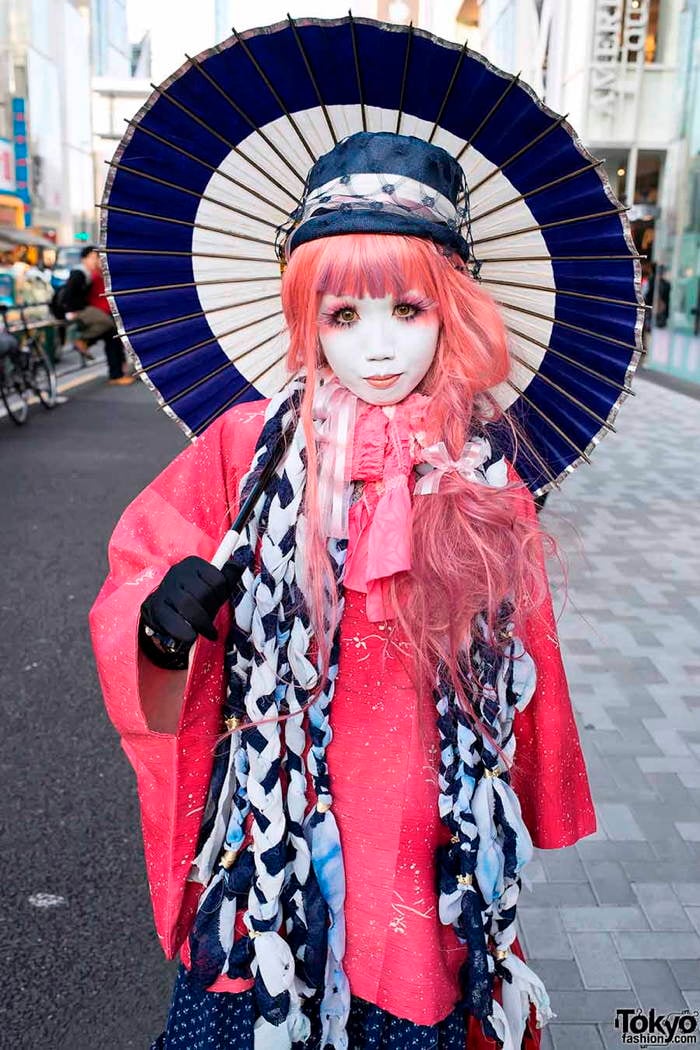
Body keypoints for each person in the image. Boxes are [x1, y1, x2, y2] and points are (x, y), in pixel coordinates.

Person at [91, 133, 595, 1050]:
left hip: (423, 832)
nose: (375, 348)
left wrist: (538, 788)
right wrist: (162, 630)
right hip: (271, 837)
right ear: (305, 319)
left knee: (410, 996)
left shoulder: (486, 480)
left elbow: (530, 663)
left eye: (407, 310)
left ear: (453, 314)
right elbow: (136, 579)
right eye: (342, 315)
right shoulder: (246, 450)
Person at [62, 245, 134, 384]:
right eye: (94, 257)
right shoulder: (82, 272)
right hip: (88, 311)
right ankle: (84, 341)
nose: (96, 260)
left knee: (112, 337)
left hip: (99, 310)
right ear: (85, 259)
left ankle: (117, 372)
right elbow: (71, 294)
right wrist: (71, 311)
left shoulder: (94, 272)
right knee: (110, 329)